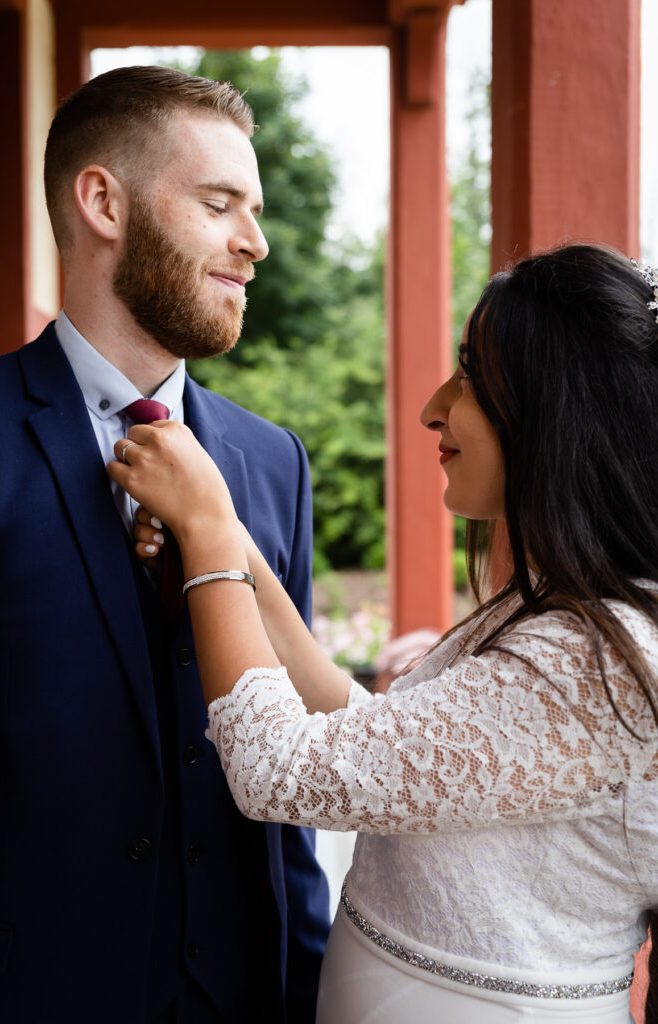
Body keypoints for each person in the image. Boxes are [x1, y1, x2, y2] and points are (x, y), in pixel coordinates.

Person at [111, 243, 658, 1024]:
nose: (435, 406)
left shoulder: (596, 663)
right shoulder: (562, 612)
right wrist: (232, 540)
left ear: (557, 409)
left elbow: (281, 771)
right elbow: (369, 734)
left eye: (469, 375)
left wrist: (203, 534)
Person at [0, 66, 330, 1023]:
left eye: (252, 211)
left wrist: (306, 984)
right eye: (220, 204)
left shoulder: (272, 463)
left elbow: (286, 782)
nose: (255, 243)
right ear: (103, 202)